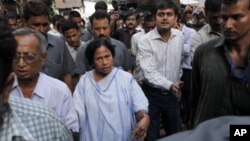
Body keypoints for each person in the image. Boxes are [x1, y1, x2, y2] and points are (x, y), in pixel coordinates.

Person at [0, 18, 73, 141]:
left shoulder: (59, 91)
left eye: (29, 57)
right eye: (16, 57)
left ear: (43, 58)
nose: (21, 63)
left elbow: (71, 129)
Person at [73, 38, 149, 141]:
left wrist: (145, 117)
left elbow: (139, 105)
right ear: (92, 61)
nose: (105, 62)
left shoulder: (126, 78)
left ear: (112, 56)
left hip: (123, 136)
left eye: (107, 56)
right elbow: (76, 112)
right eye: (99, 58)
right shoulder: (85, 82)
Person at [190, 0, 250, 128]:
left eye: (237, 17)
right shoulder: (203, 53)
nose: (228, 25)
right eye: (224, 17)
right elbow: (195, 99)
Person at [137, 1, 184, 140]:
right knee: (152, 135)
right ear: (155, 17)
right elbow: (149, 73)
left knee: (175, 133)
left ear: (176, 18)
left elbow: (179, 62)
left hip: (172, 95)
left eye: (169, 14)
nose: (165, 18)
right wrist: (170, 84)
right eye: (161, 14)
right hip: (151, 94)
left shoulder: (179, 36)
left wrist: (177, 82)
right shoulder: (145, 41)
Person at [23, 0, 75, 91]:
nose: (41, 29)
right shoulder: (15, 46)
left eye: (45, 25)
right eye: (36, 25)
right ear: (25, 23)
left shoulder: (59, 43)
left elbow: (67, 75)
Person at [131, 12, 156, 83]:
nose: (150, 30)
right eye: (148, 27)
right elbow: (134, 54)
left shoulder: (160, 37)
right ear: (143, 26)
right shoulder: (136, 37)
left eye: (153, 27)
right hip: (140, 76)